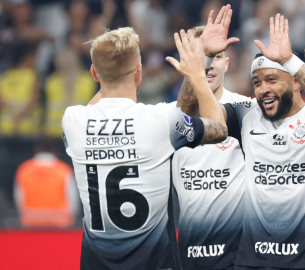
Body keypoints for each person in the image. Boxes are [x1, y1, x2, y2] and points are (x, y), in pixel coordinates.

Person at [177, 14, 305, 270]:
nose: (263, 90)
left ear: (295, 82)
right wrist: (203, 59)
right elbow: (187, 115)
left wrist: (290, 61)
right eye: (257, 83)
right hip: (252, 262)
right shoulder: (247, 115)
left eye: (272, 80)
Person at [62, 27, 227, 270]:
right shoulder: (160, 119)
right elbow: (220, 128)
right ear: (139, 71)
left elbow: (97, 103)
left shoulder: (72, 120)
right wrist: (198, 71)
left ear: (94, 73)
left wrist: (109, 68)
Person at [171, 5, 249, 270]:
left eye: (215, 56)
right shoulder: (171, 117)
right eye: (201, 57)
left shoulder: (248, 111)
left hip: (240, 255)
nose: (209, 64)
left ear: (228, 62)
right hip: (188, 253)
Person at [14, 139, 79, 228]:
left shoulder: (25, 169)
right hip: (60, 221)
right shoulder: (63, 169)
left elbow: (19, 197)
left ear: (36, 150)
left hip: (31, 220)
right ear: (55, 151)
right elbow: (72, 198)